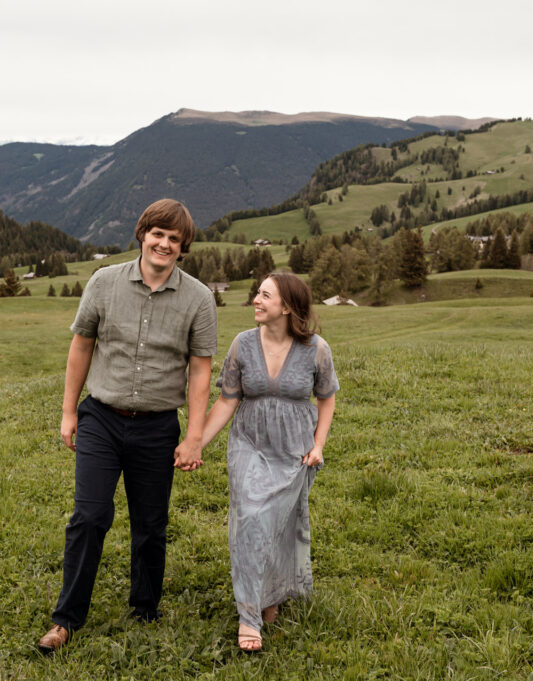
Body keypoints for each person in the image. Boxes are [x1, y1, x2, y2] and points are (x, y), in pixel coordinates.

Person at [38, 198, 217, 654]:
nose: (164, 244)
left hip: (158, 426)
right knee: (90, 516)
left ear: (183, 248)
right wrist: (68, 411)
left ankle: (145, 609)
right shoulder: (104, 282)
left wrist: (195, 434)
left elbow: (200, 370)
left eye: (174, 239)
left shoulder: (198, 298)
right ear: (143, 233)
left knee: (151, 525)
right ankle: (65, 620)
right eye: (158, 234)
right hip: (101, 416)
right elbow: (81, 346)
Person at [201, 271, 337, 653]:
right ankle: (249, 617)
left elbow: (326, 398)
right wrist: (195, 444)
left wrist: (319, 444)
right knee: (250, 516)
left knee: (278, 523)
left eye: (265, 295)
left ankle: (270, 597)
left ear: (287, 307)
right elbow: (228, 399)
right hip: (250, 443)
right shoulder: (242, 345)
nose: (256, 300)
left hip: (294, 449)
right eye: (257, 293)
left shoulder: (316, 349)